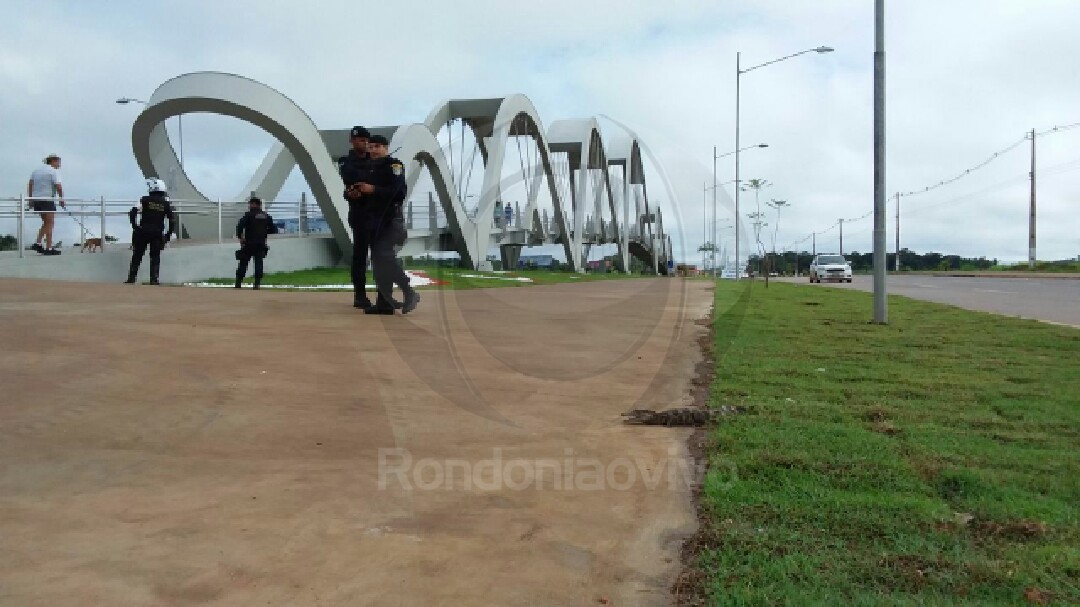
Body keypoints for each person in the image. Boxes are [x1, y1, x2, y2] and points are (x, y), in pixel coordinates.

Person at [350, 134, 419, 315]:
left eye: (377, 147)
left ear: (386, 148)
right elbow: (359, 191)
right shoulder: (368, 168)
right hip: (372, 221)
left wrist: (373, 189)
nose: (373, 150)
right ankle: (384, 302)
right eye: (371, 147)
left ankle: (408, 291)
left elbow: (399, 192)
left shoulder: (394, 166)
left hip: (390, 220)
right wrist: (353, 193)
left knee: (384, 256)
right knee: (379, 261)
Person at [338, 126, 375, 309]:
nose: (364, 143)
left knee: (382, 255)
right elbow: (350, 177)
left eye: (366, 140)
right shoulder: (345, 162)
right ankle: (359, 295)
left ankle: (384, 295)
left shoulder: (374, 160)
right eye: (360, 140)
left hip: (377, 213)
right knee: (360, 255)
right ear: (352, 141)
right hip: (360, 214)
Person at [126, 178, 175, 285]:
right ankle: (154, 279)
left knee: (137, 255)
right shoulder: (166, 203)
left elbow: (133, 212)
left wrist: (135, 226)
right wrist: (168, 235)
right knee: (155, 256)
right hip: (157, 233)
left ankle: (131, 278)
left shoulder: (143, 199)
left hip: (143, 231)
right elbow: (172, 220)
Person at [234, 197, 279, 289]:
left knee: (243, 262)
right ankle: (257, 284)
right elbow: (274, 229)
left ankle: (238, 283)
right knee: (259, 262)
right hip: (261, 243)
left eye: (250, 204)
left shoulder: (248, 215)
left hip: (249, 243)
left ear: (254, 204)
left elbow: (239, 227)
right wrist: (264, 232)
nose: (249, 206)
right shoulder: (266, 216)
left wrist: (241, 237)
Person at [27, 154, 65, 255]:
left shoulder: (36, 171)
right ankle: (49, 248)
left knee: (46, 223)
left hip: (37, 199)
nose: (59, 165)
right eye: (58, 162)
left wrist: (30, 199)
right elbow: (59, 186)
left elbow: (30, 184)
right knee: (50, 223)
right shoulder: (53, 171)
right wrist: (61, 199)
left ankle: (38, 243)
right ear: (53, 161)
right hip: (47, 199)